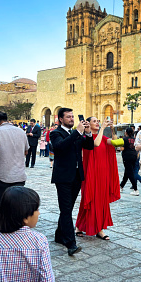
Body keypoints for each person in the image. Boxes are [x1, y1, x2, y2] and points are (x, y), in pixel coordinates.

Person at [50, 108, 94, 255]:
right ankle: (70, 243)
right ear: (60, 119)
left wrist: (87, 133)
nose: (72, 119)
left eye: (72, 116)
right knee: (66, 209)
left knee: (67, 208)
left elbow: (89, 146)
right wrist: (78, 132)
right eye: (68, 117)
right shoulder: (55, 133)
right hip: (63, 177)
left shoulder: (75, 133)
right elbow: (60, 147)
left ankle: (59, 235)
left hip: (76, 175)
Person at [0, 111, 29, 234]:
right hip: (19, 175)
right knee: (16, 204)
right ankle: (15, 229)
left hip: (2, 175)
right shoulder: (20, 131)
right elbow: (26, 152)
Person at [75, 117, 120, 240]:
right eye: (94, 121)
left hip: (102, 173)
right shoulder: (86, 139)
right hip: (90, 172)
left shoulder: (104, 138)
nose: (98, 123)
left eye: (98, 121)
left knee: (101, 200)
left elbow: (116, 143)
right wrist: (103, 128)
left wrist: (112, 130)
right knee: (88, 199)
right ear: (88, 124)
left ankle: (99, 229)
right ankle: (79, 226)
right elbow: (96, 143)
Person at [120, 127, 139, 196]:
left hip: (127, 156)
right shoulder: (135, 139)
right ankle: (121, 186)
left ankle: (135, 189)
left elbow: (122, 148)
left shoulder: (124, 139)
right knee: (127, 171)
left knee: (130, 172)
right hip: (134, 156)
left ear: (126, 132)